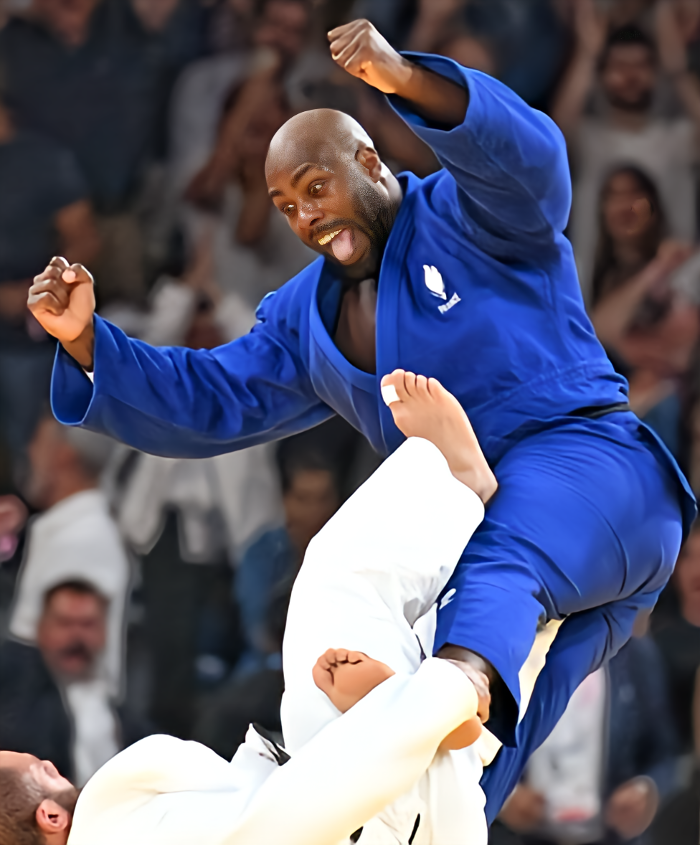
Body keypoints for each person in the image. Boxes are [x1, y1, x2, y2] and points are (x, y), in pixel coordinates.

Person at [28, 17, 694, 817]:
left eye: (318, 186)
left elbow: (537, 159)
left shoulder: (472, 215)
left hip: (595, 470)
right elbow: (210, 396)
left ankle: (456, 689)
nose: (307, 216)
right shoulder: (304, 318)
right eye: (286, 205)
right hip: (509, 566)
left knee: (478, 595)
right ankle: (444, 730)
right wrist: (88, 344)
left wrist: (403, 79)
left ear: (370, 163)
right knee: (461, 789)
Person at [0, 370, 496, 845]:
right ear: (49, 815)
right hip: (368, 821)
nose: (49, 762)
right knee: (332, 585)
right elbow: (277, 825)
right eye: (40, 769)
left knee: (326, 677)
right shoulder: (102, 826)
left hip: (384, 813)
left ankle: (413, 724)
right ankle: (456, 482)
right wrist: (444, 692)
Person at [550, 0, 700, 298]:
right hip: (590, 303)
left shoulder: (678, 137)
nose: (630, 75)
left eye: (641, 66)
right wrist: (587, 54)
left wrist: (676, 67)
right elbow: (554, 131)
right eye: (618, 66)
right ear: (600, 76)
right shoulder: (590, 137)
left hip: (679, 299)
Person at [498, 619, 679, 845]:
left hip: (611, 835)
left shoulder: (635, 656)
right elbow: (475, 748)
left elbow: (665, 752)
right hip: (525, 836)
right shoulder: (510, 652)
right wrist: (505, 796)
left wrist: (647, 789)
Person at [0, 94, 100, 472]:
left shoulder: (43, 159)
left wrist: (39, 290)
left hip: (32, 336)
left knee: (41, 451)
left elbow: (84, 239)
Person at [9, 415, 131, 697]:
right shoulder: (69, 527)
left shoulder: (84, 536)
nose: (30, 454)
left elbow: (71, 657)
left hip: (61, 729)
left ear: (64, 454)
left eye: (37, 444)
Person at [0, 580, 150, 787]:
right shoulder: (14, 686)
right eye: (65, 623)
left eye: (87, 624)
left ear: (104, 632)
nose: (76, 636)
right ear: (41, 629)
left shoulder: (115, 706)